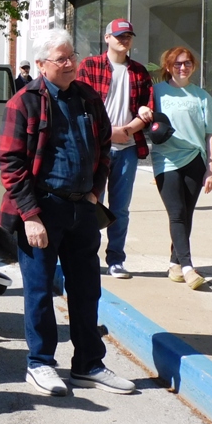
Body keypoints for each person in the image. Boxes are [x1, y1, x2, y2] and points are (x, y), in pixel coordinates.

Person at [0, 28, 135, 398]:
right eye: (62, 59)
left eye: (72, 56)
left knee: (87, 290)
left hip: (82, 208)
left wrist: (94, 191)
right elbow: (10, 162)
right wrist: (30, 215)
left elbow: (103, 147)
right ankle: (40, 363)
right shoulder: (24, 102)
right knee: (40, 291)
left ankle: (88, 365)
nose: (71, 63)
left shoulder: (88, 97)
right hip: (42, 208)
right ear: (42, 65)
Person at [76, 19, 154, 279]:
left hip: (128, 148)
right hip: (96, 148)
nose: (124, 39)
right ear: (107, 37)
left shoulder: (140, 72)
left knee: (120, 208)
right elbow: (80, 106)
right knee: (91, 202)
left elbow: (148, 109)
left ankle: (116, 260)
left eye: (128, 35)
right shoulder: (90, 66)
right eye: (119, 35)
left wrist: (128, 131)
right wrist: (109, 132)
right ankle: (87, 257)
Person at [151, 46, 212, 290]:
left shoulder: (202, 96)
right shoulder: (156, 92)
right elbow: (142, 115)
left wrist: (211, 168)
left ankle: (174, 263)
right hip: (165, 159)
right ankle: (188, 267)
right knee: (177, 212)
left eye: (187, 63)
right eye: (178, 63)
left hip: (195, 159)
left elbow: (211, 133)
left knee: (186, 214)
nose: (183, 67)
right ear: (168, 66)